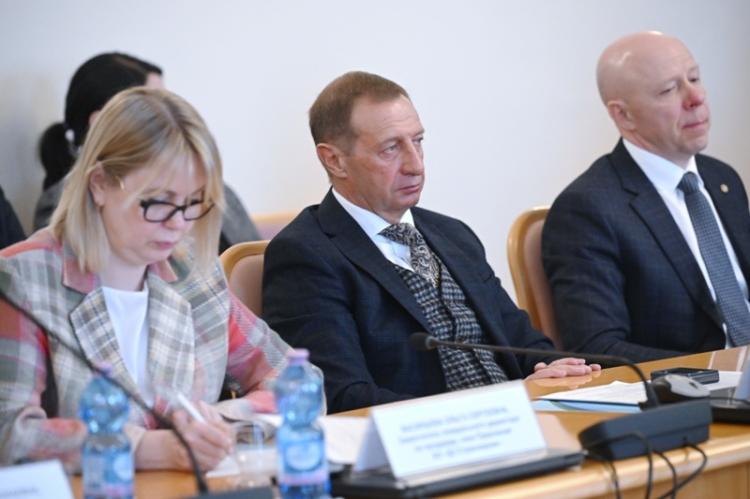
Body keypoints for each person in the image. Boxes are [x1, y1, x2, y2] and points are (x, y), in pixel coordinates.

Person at [262, 71, 599, 414]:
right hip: (427, 438)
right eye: (390, 149)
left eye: (418, 141)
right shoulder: (305, 255)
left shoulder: (453, 235)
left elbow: (525, 344)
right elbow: (341, 396)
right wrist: (484, 409)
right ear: (334, 160)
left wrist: (551, 370)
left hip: (518, 422)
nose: (415, 165)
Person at [0, 87, 292, 471]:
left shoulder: (194, 275)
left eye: (193, 202)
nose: (178, 223)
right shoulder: (24, 279)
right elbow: (10, 434)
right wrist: (144, 448)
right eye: (159, 201)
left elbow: (295, 378)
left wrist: (222, 421)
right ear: (99, 183)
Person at [543, 32, 750, 362]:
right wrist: (723, 367)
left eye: (694, 78)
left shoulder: (722, 178)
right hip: (697, 386)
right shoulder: (587, 209)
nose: (696, 97)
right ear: (623, 115)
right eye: (669, 90)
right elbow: (599, 349)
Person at [34, 52, 260, 252]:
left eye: (193, 201)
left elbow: (253, 257)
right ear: (102, 122)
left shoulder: (207, 185)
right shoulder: (61, 207)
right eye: (159, 199)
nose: (168, 114)